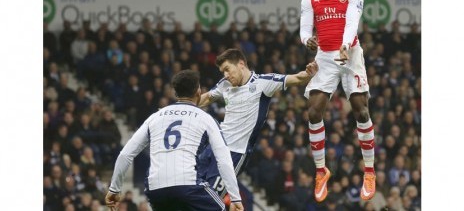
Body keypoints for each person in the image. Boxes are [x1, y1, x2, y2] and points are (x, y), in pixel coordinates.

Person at [105, 70, 244, 211]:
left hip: (156, 189)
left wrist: (114, 189)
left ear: (175, 94)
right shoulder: (205, 118)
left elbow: (125, 155)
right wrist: (235, 198)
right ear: (198, 91)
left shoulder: (154, 117)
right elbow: (224, 159)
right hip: (188, 185)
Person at [299, 0, 376, 202]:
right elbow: (304, 29)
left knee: (361, 111)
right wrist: (306, 40)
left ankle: (369, 171)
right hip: (325, 57)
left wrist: (344, 46)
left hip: (351, 53)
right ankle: (321, 171)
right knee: (313, 113)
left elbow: (352, 24)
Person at [198, 48, 318, 198]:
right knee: (191, 189)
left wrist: (309, 73)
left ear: (241, 64)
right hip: (213, 146)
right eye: (223, 72)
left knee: (210, 199)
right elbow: (208, 97)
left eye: (227, 69)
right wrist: (183, 103)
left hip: (234, 153)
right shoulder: (225, 84)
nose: (226, 75)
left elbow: (297, 78)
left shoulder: (263, 83)